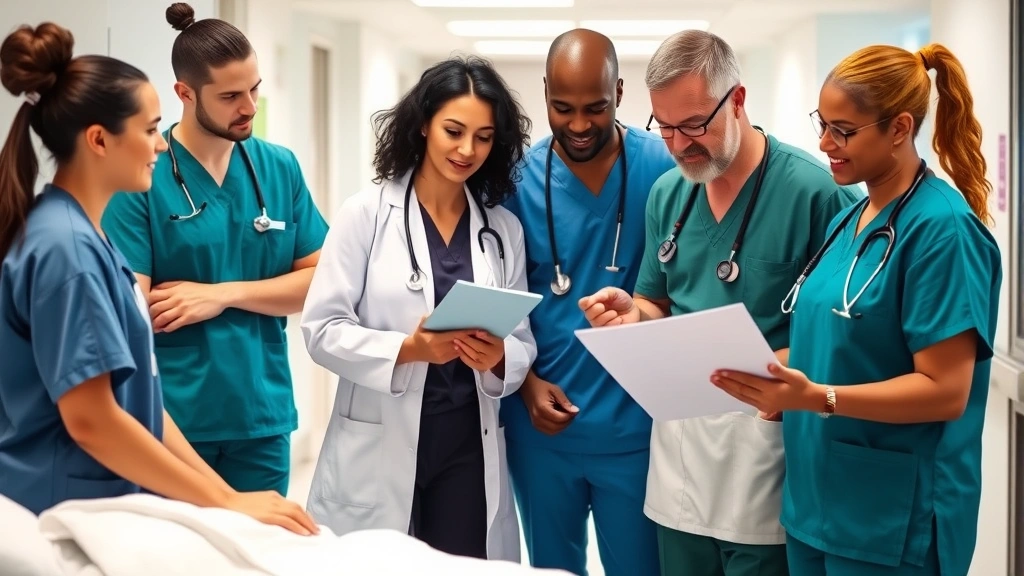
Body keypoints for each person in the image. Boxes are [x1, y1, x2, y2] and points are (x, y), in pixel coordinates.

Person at [0, 21, 318, 536]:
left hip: (114, 491)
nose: (163, 145)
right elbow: (93, 419)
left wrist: (226, 497)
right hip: (67, 503)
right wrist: (225, 500)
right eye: (150, 130)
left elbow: (135, 391)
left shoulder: (84, 238)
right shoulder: (68, 251)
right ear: (99, 140)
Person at [708, 43, 1001, 576]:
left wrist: (816, 397)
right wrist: (776, 370)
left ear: (898, 128)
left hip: (892, 519)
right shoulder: (855, 218)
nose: (824, 144)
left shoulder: (941, 230)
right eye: (823, 124)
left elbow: (946, 390)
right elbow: (842, 339)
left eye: (843, 131)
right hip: (818, 503)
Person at [579, 30, 862, 576]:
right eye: (665, 127)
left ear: (737, 100)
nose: (681, 143)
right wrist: (628, 315)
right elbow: (654, 301)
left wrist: (790, 357)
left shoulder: (816, 194)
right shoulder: (668, 192)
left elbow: (845, 328)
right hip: (680, 459)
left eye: (694, 124)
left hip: (766, 453)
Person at [299, 55, 535, 561]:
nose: (467, 149)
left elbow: (522, 344)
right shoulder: (365, 214)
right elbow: (321, 329)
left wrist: (497, 357)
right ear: (424, 124)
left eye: (484, 136)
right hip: (379, 438)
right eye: (454, 130)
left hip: (467, 445)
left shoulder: (501, 231)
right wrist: (408, 349)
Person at [101, 2, 329, 496]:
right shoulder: (143, 176)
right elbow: (131, 314)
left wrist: (220, 294)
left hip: (261, 417)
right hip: (174, 421)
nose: (248, 106)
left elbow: (320, 282)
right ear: (184, 93)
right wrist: (269, 290)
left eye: (254, 89)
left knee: (260, 561)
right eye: (230, 95)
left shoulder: (278, 167)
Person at [499, 29, 675, 576]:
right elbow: (499, 300)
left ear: (621, 92)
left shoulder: (665, 170)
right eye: (562, 107)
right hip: (540, 426)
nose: (578, 125)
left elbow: (682, 291)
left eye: (596, 108)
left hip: (637, 429)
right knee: (552, 567)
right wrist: (525, 385)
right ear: (545, 91)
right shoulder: (513, 180)